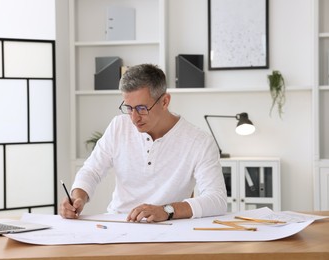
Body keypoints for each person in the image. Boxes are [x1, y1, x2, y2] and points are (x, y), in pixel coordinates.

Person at [60, 64, 227, 222]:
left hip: (168, 228)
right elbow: (92, 170)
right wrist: (77, 197)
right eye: (129, 108)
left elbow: (217, 199)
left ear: (165, 101)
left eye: (141, 108)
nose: (134, 118)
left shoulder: (199, 141)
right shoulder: (119, 126)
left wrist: (167, 210)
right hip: (118, 223)